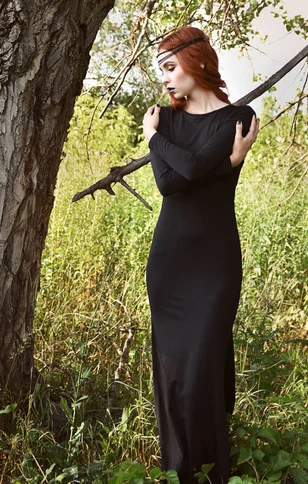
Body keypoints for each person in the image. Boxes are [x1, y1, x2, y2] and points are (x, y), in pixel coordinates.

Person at [142, 26, 259, 484]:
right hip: (169, 264)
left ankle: (212, 471)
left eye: (171, 67)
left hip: (215, 264)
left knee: (203, 369)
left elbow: (187, 168)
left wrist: (154, 140)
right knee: (172, 377)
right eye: (162, 71)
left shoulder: (239, 117)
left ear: (197, 61)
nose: (166, 79)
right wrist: (224, 165)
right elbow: (170, 185)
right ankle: (179, 472)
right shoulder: (167, 120)